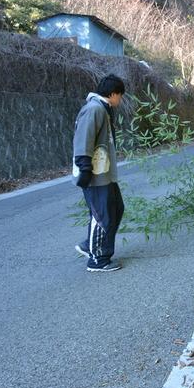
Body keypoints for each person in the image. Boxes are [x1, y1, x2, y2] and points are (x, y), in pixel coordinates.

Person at [72, 74, 126, 272]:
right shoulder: (94, 109)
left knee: (116, 209)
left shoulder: (103, 109)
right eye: (120, 95)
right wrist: (84, 167)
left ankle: (91, 245)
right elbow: (83, 138)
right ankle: (97, 259)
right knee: (101, 215)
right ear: (112, 94)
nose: (120, 100)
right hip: (94, 174)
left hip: (105, 173)